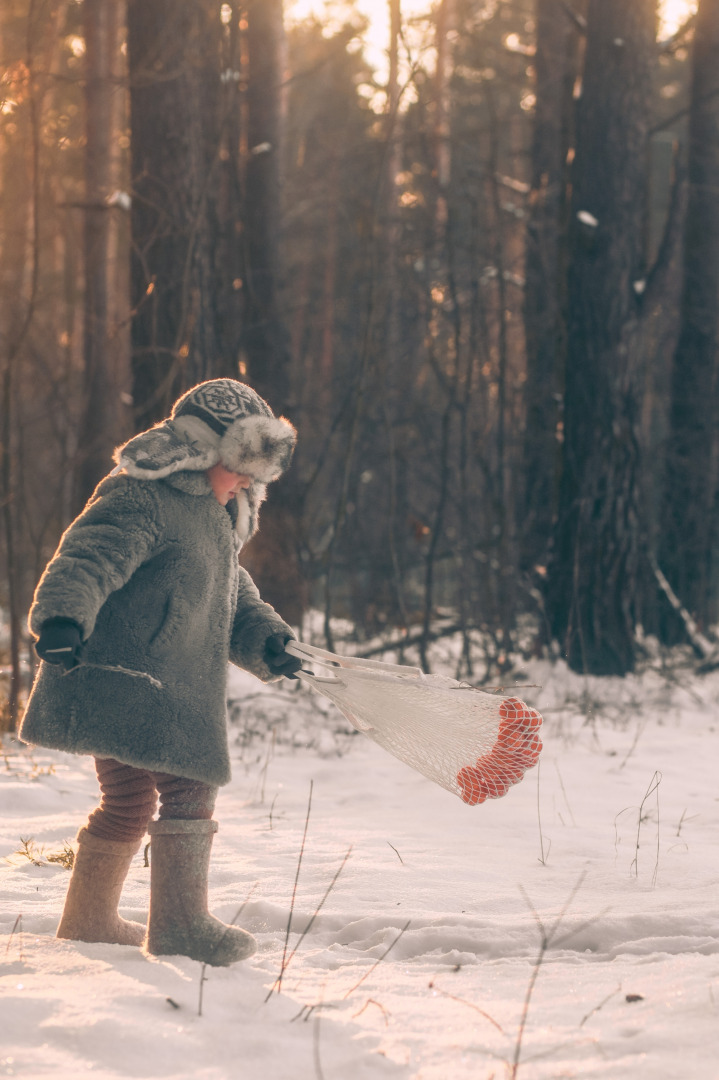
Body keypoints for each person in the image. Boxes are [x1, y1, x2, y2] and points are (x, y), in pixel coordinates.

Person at [18, 378, 302, 966]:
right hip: (135, 677)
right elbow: (89, 553)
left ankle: (89, 920)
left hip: (147, 678)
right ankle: (179, 927)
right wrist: (63, 618)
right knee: (189, 789)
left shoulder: (214, 516)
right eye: (241, 463)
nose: (250, 480)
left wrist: (269, 641)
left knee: (125, 799)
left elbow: (233, 597)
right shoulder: (143, 496)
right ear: (203, 450)